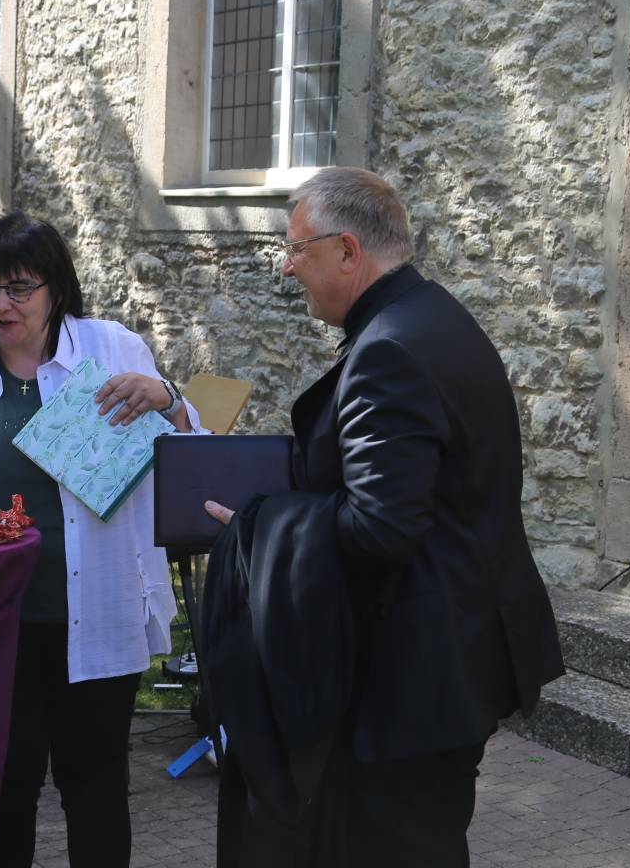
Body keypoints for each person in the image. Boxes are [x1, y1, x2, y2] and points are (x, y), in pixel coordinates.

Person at [202, 168, 564, 867]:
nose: (286, 265)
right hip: (454, 653)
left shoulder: (389, 352)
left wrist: (257, 526)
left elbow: (380, 528)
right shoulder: (432, 316)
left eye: (296, 247)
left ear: (346, 250)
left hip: (417, 677)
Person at [0, 210, 199, 868]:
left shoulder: (110, 346)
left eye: (19, 287)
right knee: (3, 790)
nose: (0, 304)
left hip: (97, 614)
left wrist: (166, 395)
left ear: (56, 287)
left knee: (96, 788)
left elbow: (190, 449)